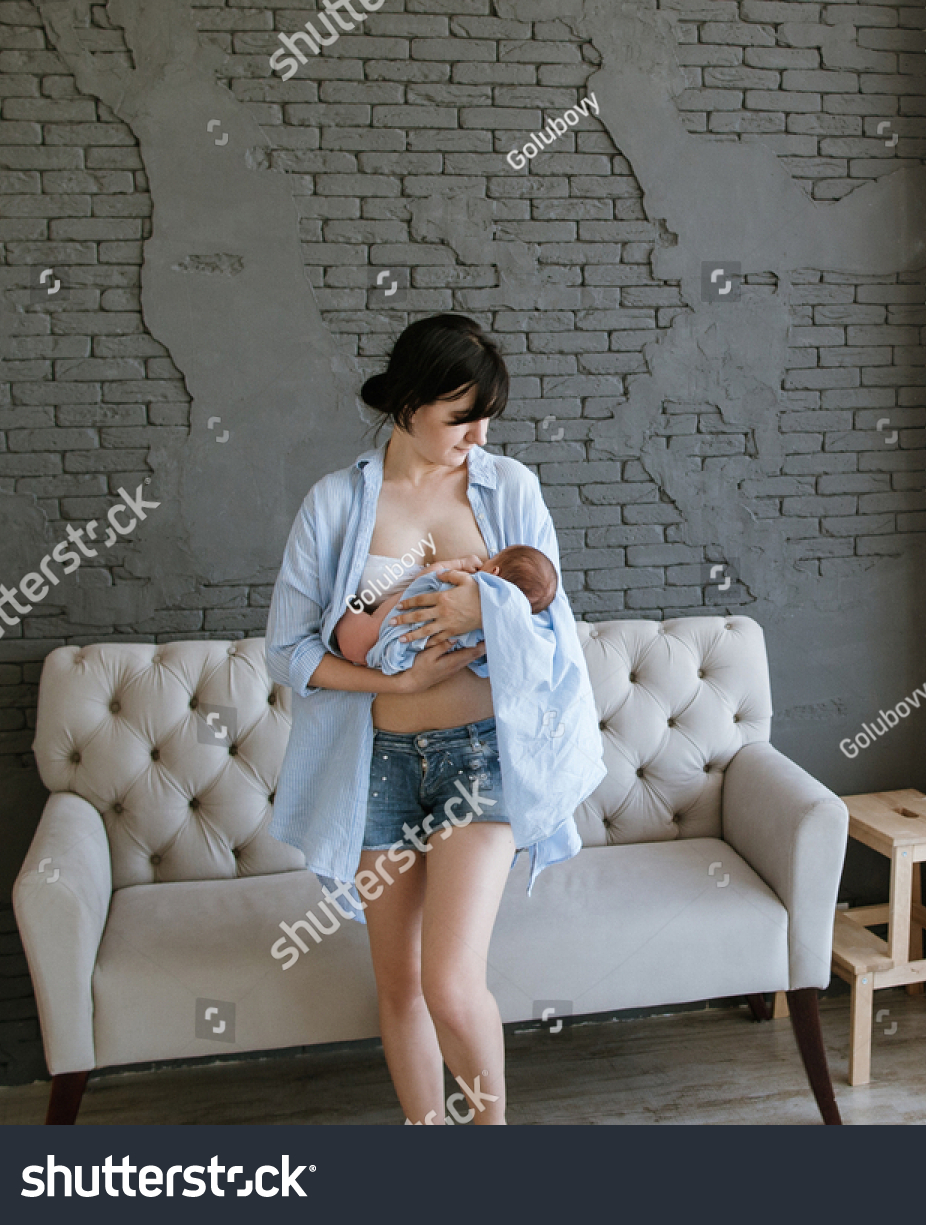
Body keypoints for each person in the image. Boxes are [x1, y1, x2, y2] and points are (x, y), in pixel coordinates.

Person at [265, 314, 603, 1126]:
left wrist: (478, 611)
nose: (478, 433)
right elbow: (290, 650)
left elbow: (556, 627)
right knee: (402, 986)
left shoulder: (508, 488)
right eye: (461, 414)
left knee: (451, 983)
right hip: (377, 767)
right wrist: (404, 668)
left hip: (480, 758)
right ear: (410, 403)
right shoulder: (338, 502)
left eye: (488, 414)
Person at [335, 543, 559, 672]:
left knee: (349, 624)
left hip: (386, 630)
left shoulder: (459, 583)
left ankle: (345, 606)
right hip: (411, 654)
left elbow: (426, 579)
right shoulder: (496, 630)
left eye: (493, 558)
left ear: (494, 573)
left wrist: (458, 564)